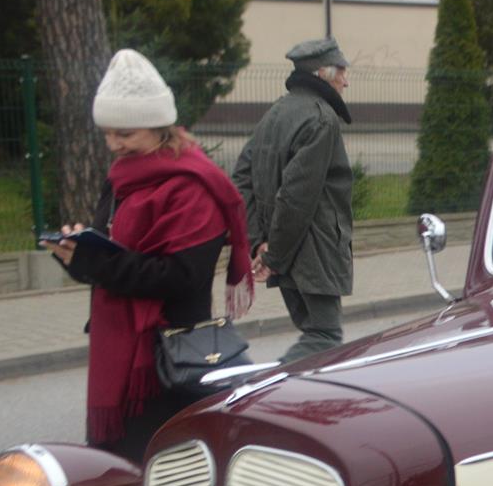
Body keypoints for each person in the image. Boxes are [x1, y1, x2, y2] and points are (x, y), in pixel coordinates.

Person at [50, 48, 253, 463]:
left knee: (160, 471)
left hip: (168, 362)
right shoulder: (122, 178)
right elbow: (109, 259)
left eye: (125, 134)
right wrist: (74, 253)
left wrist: (95, 262)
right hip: (120, 355)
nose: (114, 144)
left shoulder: (193, 186)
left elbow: (181, 276)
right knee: (118, 470)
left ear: (160, 127)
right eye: (108, 133)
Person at [232, 37, 354, 364]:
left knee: (314, 339)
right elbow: (296, 198)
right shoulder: (321, 119)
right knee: (325, 338)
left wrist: (260, 243)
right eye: (342, 72)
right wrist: (273, 255)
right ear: (322, 74)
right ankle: (269, 385)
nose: (346, 81)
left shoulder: (275, 113)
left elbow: (241, 179)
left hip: (284, 252)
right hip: (311, 253)